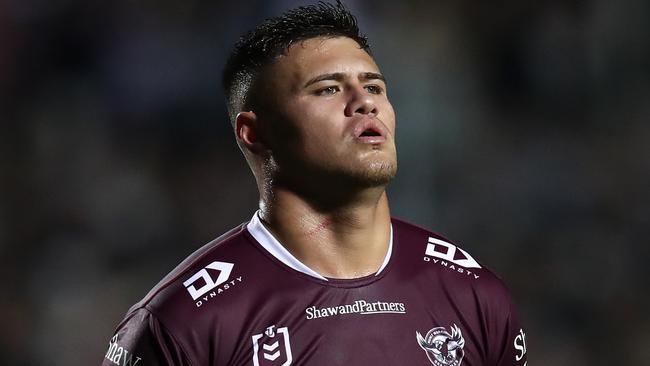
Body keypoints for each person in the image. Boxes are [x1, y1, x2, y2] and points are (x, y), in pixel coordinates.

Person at [102, 2, 528, 365]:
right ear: (254, 132)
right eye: (327, 89)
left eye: (375, 86)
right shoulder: (184, 322)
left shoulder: (472, 293)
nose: (365, 102)